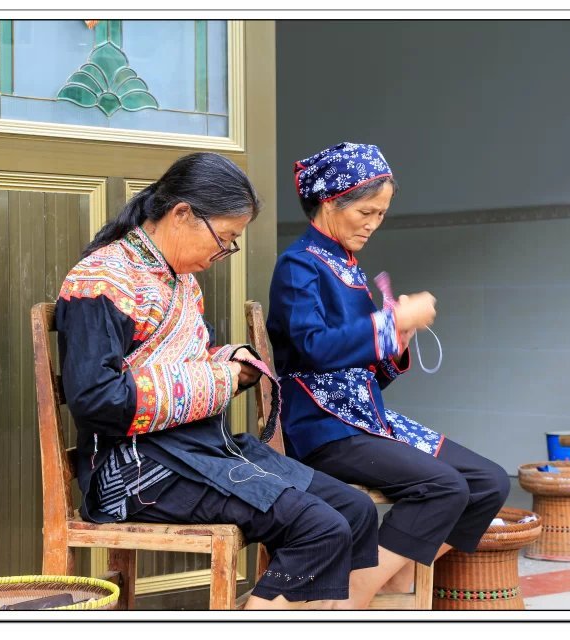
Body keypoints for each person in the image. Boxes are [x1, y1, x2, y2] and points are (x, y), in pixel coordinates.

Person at [55, 152, 382, 610]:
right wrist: (220, 378)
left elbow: (186, 362)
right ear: (182, 213)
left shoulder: (180, 280)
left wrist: (231, 363)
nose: (223, 252)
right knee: (320, 527)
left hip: (195, 449)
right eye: (225, 238)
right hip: (133, 470)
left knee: (355, 509)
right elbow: (96, 399)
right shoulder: (101, 279)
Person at [267, 142, 510, 602]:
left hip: (365, 420)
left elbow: (367, 374)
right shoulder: (299, 264)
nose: (373, 224)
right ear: (328, 202)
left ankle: (391, 578)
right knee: (442, 486)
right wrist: (389, 324)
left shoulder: (348, 267)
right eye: (366, 211)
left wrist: (396, 344)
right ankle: (353, 596)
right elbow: (313, 349)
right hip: (320, 426)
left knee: (488, 482)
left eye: (381, 214)